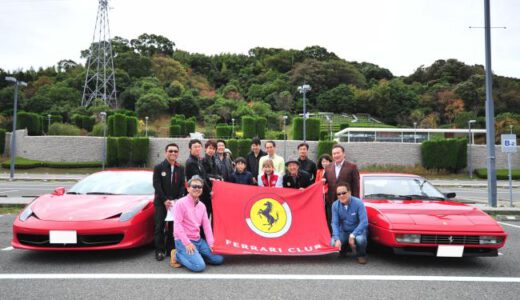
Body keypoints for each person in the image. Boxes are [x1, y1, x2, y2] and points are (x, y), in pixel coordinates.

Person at [171, 175, 224, 272]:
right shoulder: (180, 203)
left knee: (219, 259)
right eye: (194, 186)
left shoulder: (202, 206)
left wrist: (211, 243)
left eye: (199, 187)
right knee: (199, 266)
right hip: (183, 241)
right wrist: (187, 243)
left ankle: (196, 253)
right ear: (188, 188)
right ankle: (177, 255)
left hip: (198, 240)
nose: (197, 189)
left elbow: (206, 226)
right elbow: (177, 226)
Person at [152, 143, 186, 261]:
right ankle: (160, 250)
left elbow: (182, 185)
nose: (173, 153)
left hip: (175, 203)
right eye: (170, 151)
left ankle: (170, 249)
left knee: (173, 227)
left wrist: (179, 198)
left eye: (175, 151)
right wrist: (165, 200)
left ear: (178, 153)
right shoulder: (159, 167)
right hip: (161, 202)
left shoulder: (180, 168)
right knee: (159, 226)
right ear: (166, 152)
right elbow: (156, 185)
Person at [323, 144, 360, 232]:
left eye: (338, 153)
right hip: (331, 202)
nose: (336, 155)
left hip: (347, 202)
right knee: (332, 224)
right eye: (334, 154)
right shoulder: (328, 168)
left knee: (346, 225)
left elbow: (356, 186)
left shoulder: (352, 167)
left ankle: (345, 243)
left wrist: (355, 202)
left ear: (344, 154)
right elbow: (325, 182)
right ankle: (334, 241)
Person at [330, 182, 368, 264]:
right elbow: (334, 223)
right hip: (344, 231)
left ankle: (361, 255)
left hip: (358, 231)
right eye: (338, 194)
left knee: (360, 240)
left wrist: (353, 234)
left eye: (344, 193)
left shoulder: (358, 203)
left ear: (349, 192)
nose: (341, 196)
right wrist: (336, 238)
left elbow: (364, 222)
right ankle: (344, 250)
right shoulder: (335, 205)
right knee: (333, 242)